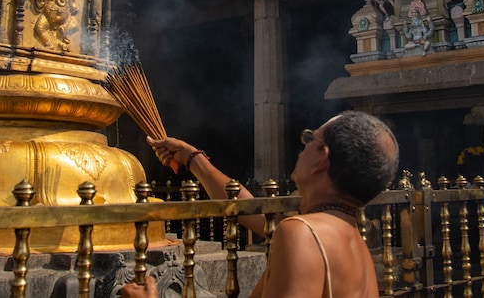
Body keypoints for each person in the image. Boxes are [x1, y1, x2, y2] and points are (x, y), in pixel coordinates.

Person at [120, 110, 399, 298]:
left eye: (309, 139)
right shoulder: (351, 241)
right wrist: (191, 157)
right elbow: (248, 206)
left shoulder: (302, 234)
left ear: (322, 159)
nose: (302, 147)